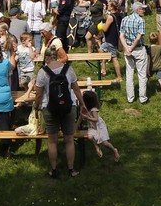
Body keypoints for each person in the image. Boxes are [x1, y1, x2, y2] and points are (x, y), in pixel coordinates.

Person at [34, 43, 80, 178]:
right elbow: (76, 89)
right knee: (69, 139)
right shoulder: (68, 69)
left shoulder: (42, 72)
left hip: (49, 108)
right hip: (68, 106)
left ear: (46, 58)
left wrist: (36, 107)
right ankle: (71, 169)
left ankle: (53, 170)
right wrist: (82, 104)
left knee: (52, 141)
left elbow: (38, 94)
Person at [79, 86, 120, 161]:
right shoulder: (84, 108)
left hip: (99, 127)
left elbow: (96, 119)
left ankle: (114, 150)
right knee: (90, 137)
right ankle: (97, 147)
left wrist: (87, 117)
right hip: (92, 127)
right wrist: (76, 127)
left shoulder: (94, 110)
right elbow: (80, 118)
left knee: (105, 143)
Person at [119, 2, 149, 104]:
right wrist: (131, 48)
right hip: (138, 49)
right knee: (142, 74)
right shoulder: (141, 21)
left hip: (128, 49)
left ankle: (130, 98)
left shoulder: (124, 19)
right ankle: (142, 98)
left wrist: (127, 48)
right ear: (137, 10)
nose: (144, 11)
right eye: (142, 9)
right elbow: (139, 36)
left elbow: (121, 35)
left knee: (129, 74)